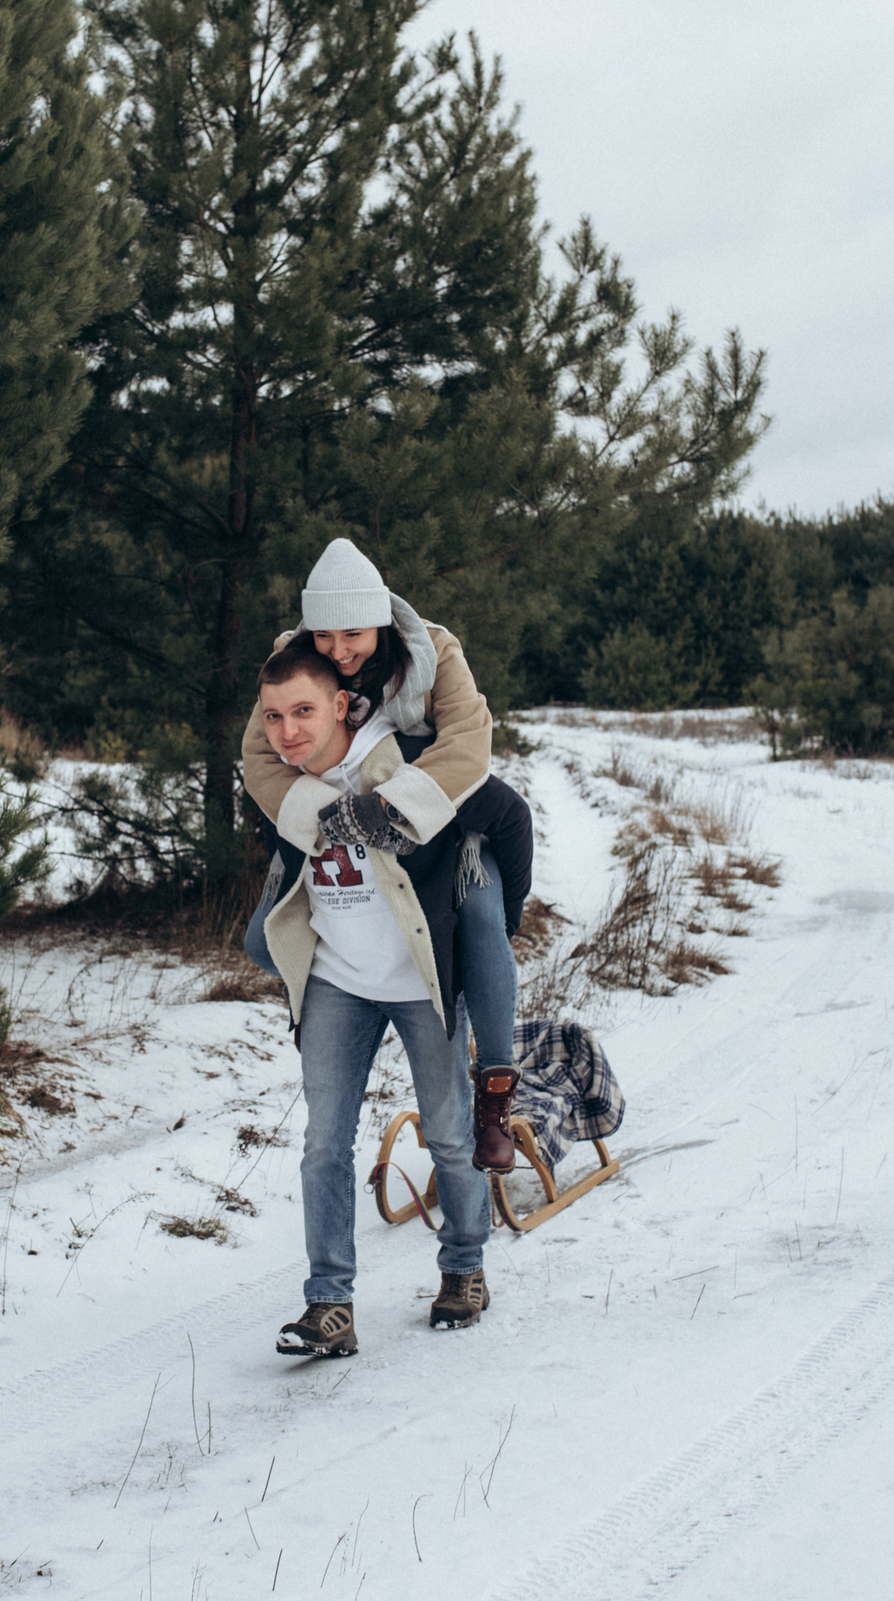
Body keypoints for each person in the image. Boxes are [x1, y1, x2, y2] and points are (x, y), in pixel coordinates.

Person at [251, 638, 532, 1357]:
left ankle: (464, 1266)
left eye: (304, 711)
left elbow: (505, 811)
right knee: (323, 1145)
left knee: (446, 1131)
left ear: (344, 703)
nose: (288, 731)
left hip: (419, 985)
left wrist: (501, 916)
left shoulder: (407, 761)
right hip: (337, 984)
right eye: (274, 716)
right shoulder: (280, 783)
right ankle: (329, 1303)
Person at [240, 537, 524, 1172]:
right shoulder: (293, 661)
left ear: (380, 619)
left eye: (353, 633)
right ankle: (327, 1012)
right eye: (325, 635)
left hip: (443, 819)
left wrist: (392, 807)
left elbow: (470, 740)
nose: (338, 651)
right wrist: (326, 817)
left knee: (481, 925)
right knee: (262, 942)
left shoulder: (433, 651)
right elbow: (260, 755)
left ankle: (495, 1097)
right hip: (336, 827)